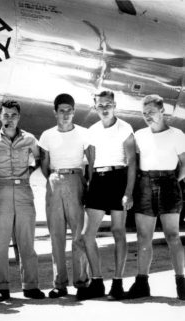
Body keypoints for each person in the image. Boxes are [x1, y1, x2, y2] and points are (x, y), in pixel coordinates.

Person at [0, 99, 45, 302]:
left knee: (27, 240)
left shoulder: (30, 139)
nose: (9, 119)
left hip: (23, 190)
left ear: (19, 117)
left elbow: (40, 157)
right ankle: (2, 288)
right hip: (1, 190)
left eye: (13, 115)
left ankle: (31, 286)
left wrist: (31, 170)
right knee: (0, 241)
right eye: (5, 115)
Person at [127, 94, 185, 300]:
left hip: (169, 183)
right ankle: (142, 283)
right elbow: (133, 165)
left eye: (151, 112)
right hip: (144, 184)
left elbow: (184, 164)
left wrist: (172, 181)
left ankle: (181, 283)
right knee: (144, 237)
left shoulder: (177, 134)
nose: (147, 117)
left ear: (162, 111)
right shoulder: (139, 135)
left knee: (173, 236)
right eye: (144, 113)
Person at [81, 90, 136, 300]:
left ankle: (118, 283)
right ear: (95, 107)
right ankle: (96, 281)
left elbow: (131, 162)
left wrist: (128, 193)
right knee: (87, 235)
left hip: (119, 178)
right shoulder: (92, 130)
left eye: (108, 104)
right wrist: (90, 186)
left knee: (118, 231)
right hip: (99, 180)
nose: (104, 108)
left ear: (114, 106)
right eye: (100, 105)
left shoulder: (125, 128)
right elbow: (92, 162)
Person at [39, 94, 90, 299]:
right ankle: (59, 284)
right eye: (62, 110)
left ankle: (81, 282)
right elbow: (44, 164)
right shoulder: (47, 135)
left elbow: (91, 163)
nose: (66, 114)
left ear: (74, 111)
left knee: (79, 235)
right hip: (54, 181)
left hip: (76, 179)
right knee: (56, 235)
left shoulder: (84, 134)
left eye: (69, 110)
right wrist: (55, 180)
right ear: (55, 112)